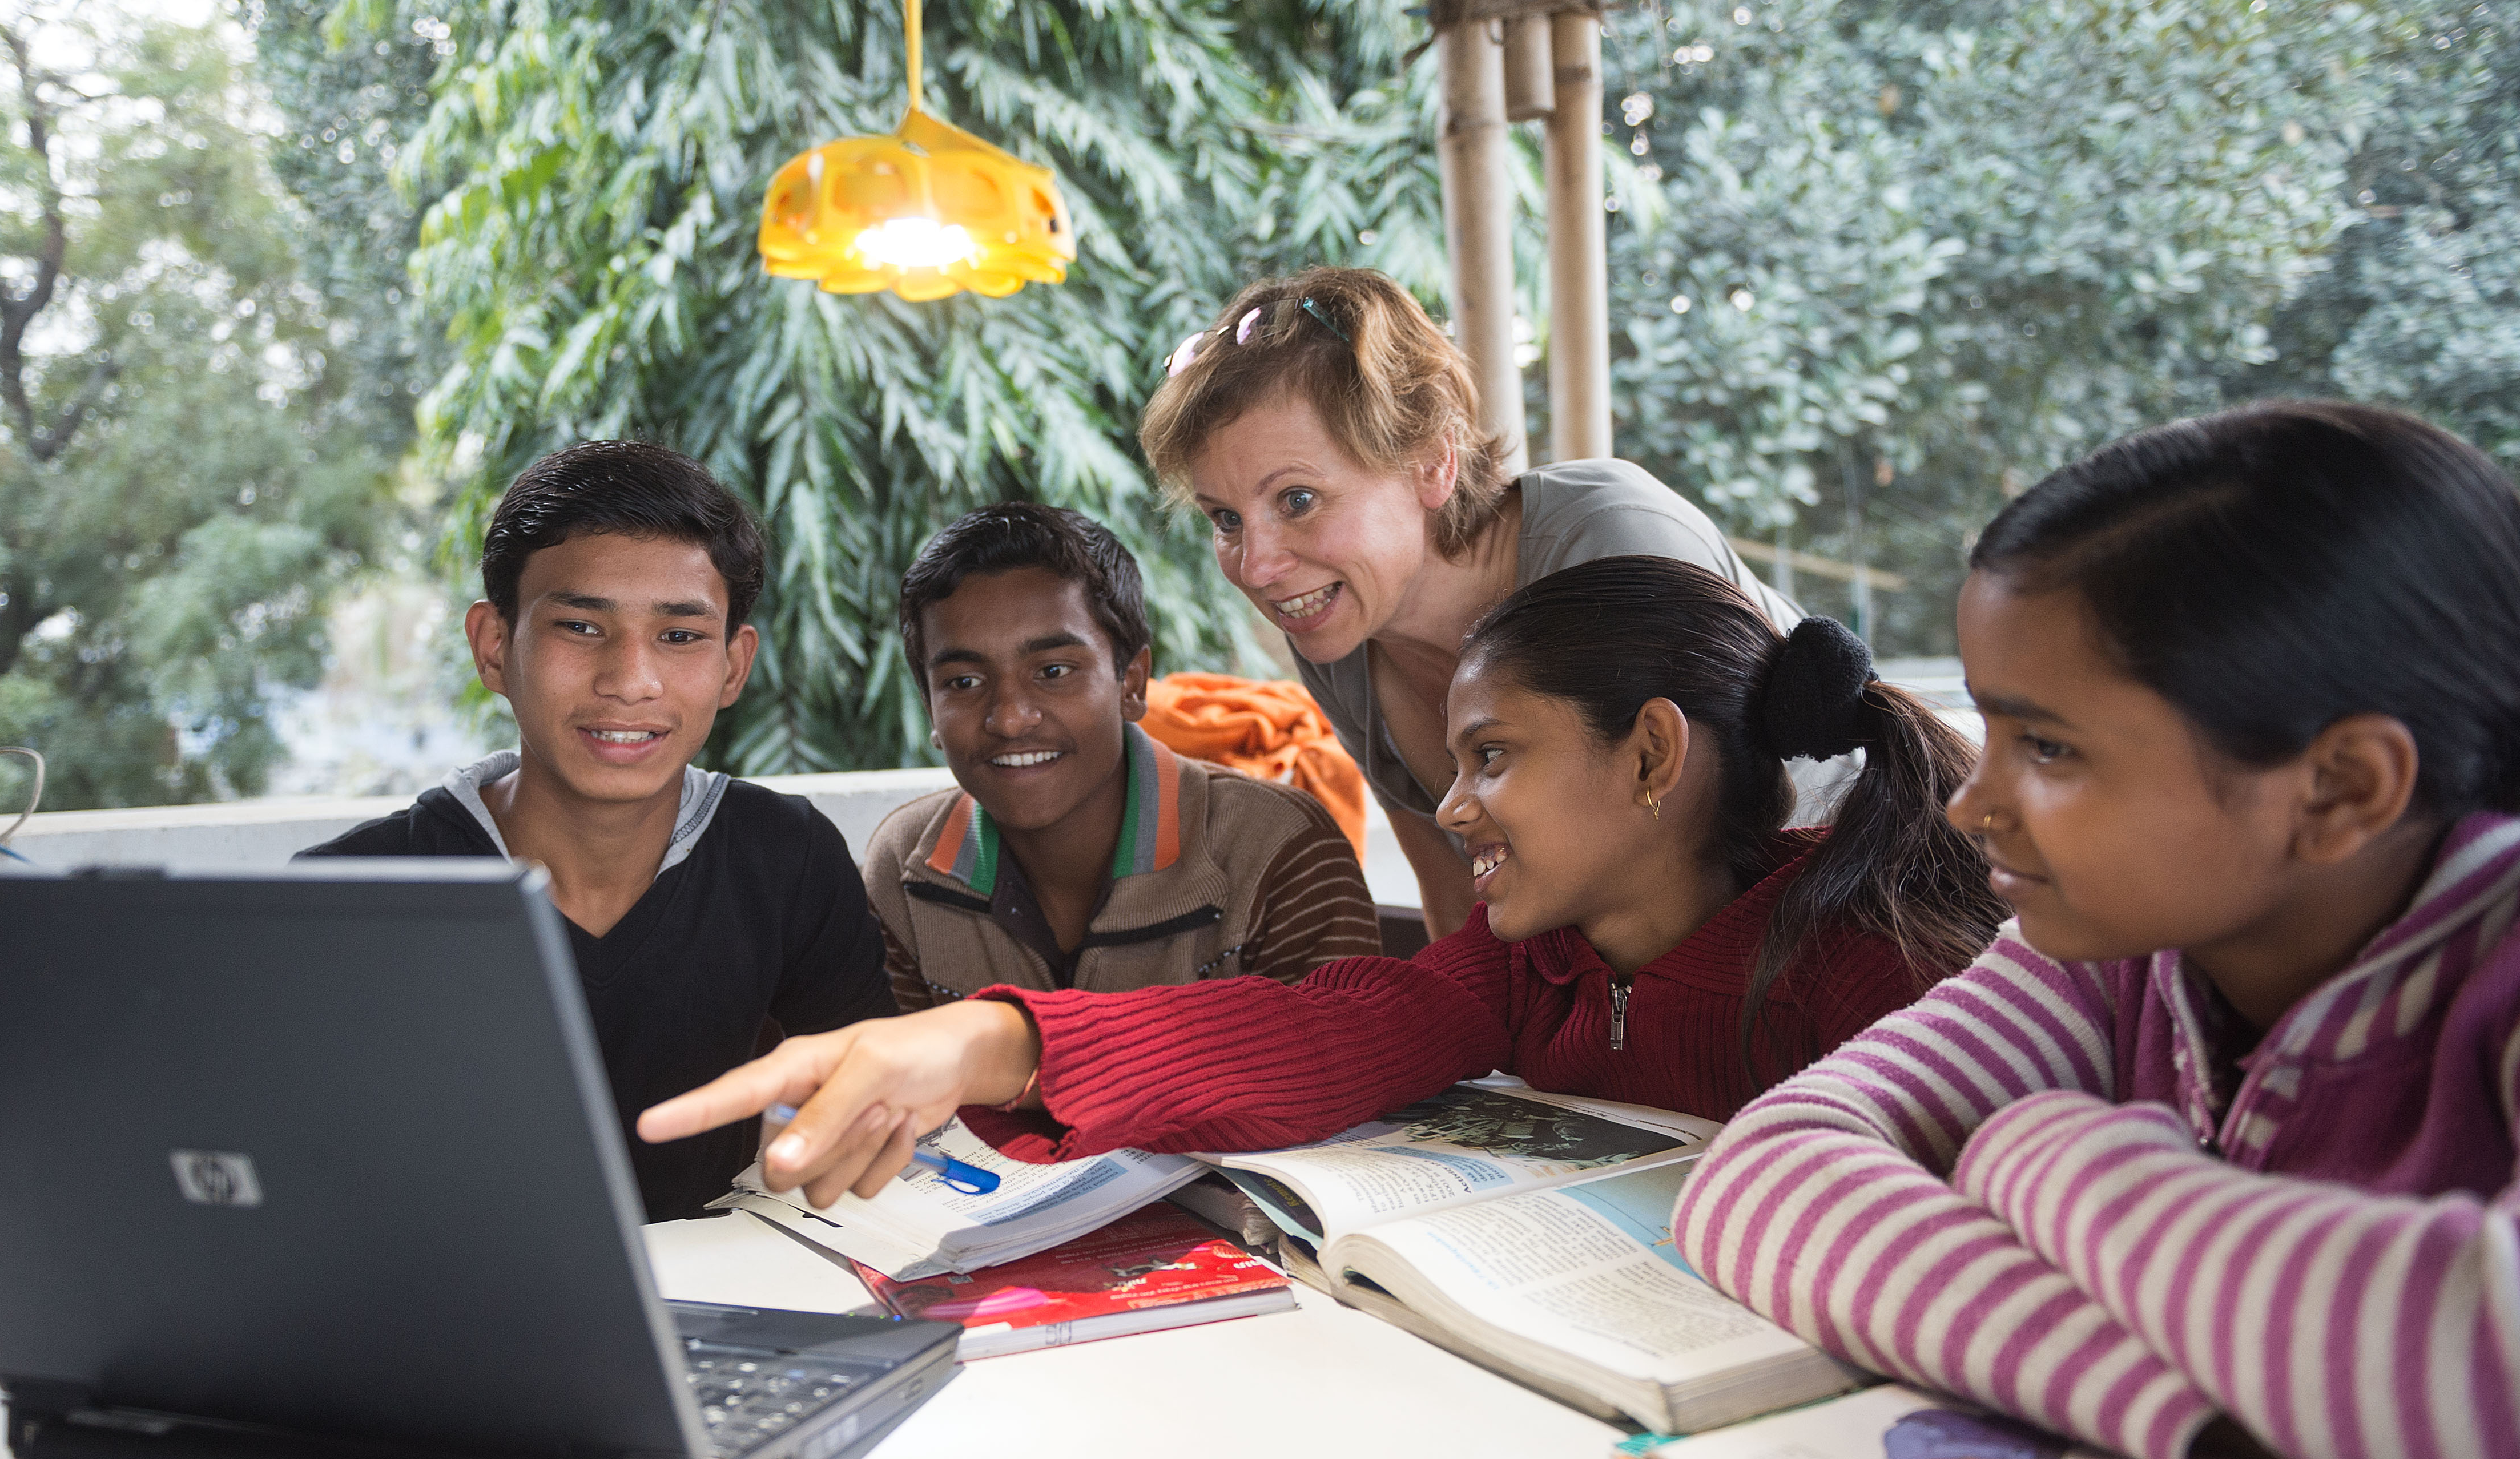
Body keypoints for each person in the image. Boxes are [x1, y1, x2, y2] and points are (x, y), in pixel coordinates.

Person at [1670, 403, 2520, 1459]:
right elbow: (1765, 1173)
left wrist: (2044, 1154)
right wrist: (2217, 1410)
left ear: (2340, 786)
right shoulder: (2114, 951)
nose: (1975, 800)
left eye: (2052, 748)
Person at [637, 555, 1999, 1204]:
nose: (1452, 804)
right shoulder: (1529, 961)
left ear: (1651, 754)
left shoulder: (1879, 968)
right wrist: (993, 1035)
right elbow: (1322, 1024)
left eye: (1494, 758)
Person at [300, 439, 892, 1219]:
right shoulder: (349, 895)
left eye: (680, 636)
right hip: (439, 1318)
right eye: (581, 627)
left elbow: (870, 1103)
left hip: (722, 1308)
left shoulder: (784, 856)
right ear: (493, 646)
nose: (630, 681)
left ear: (732, 668)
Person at [1138, 267, 1808, 941]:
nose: (1257, 567)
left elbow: (1709, 888)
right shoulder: (1336, 624)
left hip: (1843, 916)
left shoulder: (1612, 542)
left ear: (1432, 462)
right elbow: (1463, 915)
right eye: (1225, 519)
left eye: (1297, 500)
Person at [864, 503, 1378, 1009]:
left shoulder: (1278, 850)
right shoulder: (907, 867)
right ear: (930, 708)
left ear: (1131, 684)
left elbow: (1339, 1074)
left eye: (1053, 672)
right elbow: (888, 1084)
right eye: (964, 682)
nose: (1010, 718)